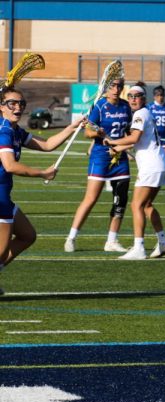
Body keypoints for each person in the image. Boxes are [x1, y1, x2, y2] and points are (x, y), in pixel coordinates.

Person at [0, 87, 82, 294]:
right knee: (1, 250)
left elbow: (46, 145)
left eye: (21, 103)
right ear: (1, 107)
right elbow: (10, 165)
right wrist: (42, 173)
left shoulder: (15, 130)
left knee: (27, 235)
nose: (18, 107)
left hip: (4, 196)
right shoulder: (4, 131)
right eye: (12, 103)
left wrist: (71, 128)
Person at [104, 85, 165, 260]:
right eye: (131, 96)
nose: (134, 99)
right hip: (161, 163)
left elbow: (134, 138)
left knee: (136, 205)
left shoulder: (140, 114)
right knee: (147, 205)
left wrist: (113, 141)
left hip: (151, 166)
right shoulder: (145, 113)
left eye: (138, 96)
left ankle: (139, 248)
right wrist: (118, 147)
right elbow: (139, 141)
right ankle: (163, 241)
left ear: (144, 98)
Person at [64, 77, 132, 253]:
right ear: (106, 88)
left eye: (119, 86)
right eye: (113, 86)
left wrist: (124, 147)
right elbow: (87, 131)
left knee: (120, 200)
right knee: (91, 198)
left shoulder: (125, 107)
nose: (116, 89)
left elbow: (129, 132)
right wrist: (97, 132)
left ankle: (111, 240)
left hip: (120, 158)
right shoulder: (100, 106)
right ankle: (71, 237)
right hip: (100, 156)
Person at [148, 85, 165, 169]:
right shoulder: (149, 107)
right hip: (153, 139)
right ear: (154, 96)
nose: (160, 97)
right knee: (153, 162)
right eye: (158, 95)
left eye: (162, 95)